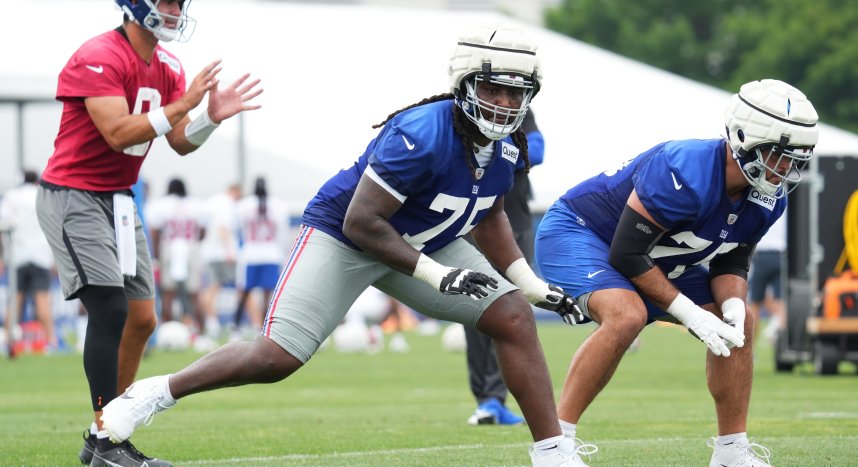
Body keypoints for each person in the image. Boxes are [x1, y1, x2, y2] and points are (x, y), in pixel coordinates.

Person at [100, 23, 588, 466]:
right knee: (275, 358)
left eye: (514, 93)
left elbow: (492, 213)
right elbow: (363, 221)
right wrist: (439, 275)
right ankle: (151, 394)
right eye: (493, 89)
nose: (504, 103)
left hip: (424, 242)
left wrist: (528, 283)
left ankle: (552, 454)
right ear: (464, 85)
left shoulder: (508, 146)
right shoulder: (421, 131)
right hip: (347, 237)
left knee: (514, 316)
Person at [534, 79, 818, 466]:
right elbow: (627, 252)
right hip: (583, 232)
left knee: (741, 323)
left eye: (795, 157)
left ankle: (731, 452)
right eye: (777, 153)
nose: (785, 167)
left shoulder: (770, 197)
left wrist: (732, 303)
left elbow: (730, 261)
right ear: (742, 138)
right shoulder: (685, 168)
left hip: (657, 257)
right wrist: (690, 313)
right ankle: (555, 445)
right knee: (626, 314)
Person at [34, 0, 262, 465]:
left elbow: (180, 142)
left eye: (181, 3)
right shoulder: (98, 55)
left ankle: (107, 432)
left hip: (118, 199)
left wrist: (210, 118)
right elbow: (118, 133)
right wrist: (183, 106)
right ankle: (106, 436)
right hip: (74, 194)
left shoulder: (170, 67)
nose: (176, 11)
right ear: (136, 1)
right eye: (168, 0)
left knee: (142, 319)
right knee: (110, 310)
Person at [464, 110, 544, 427]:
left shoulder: (519, 111)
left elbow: (537, 151)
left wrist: (496, 145)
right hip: (470, 226)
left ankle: (496, 399)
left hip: (516, 227)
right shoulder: (463, 113)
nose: (503, 100)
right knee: (472, 310)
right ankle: (486, 400)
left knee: (513, 309)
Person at [0, 170, 58, 356]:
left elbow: (3, 224)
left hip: (17, 254)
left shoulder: (11, 197)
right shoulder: (43, 195)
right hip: (40, 254)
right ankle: (51, 342)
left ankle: (8, 342)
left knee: (15, 299)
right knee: (42, 299)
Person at [231, 177, 290, 335]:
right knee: (267, 294)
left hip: (251, 254)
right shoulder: (278, 205)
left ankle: (236, 327)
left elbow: (236, 228)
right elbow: (282, 234)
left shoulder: (244, 205)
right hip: (271, 254)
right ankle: (264, 329)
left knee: (245, 292)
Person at [145, 178, 205, 328]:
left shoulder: (161, 204)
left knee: (168, 291)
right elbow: (203, 230)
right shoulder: (196, 204)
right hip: (190, 246)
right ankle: (200, 328)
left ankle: (168, 326)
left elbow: (155, 231)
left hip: (169, 246)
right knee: (194, 292)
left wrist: (157, 254)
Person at [198, 183, 242, 338]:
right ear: (235, 192)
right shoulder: (227, 204)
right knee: (241, 288)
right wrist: (229, 250)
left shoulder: (212, 202)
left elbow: (201, 227)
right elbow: (224, 227)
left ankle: (212, 323)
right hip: (223, 253)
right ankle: (239, 325)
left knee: (210, 289)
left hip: (209, 252)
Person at [747, 211, 787, 343]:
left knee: (755, 305)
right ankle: (780, 340)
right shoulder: (786, 202)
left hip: (762, 256)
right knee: (780, 302)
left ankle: (750, 350)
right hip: (781, 256)